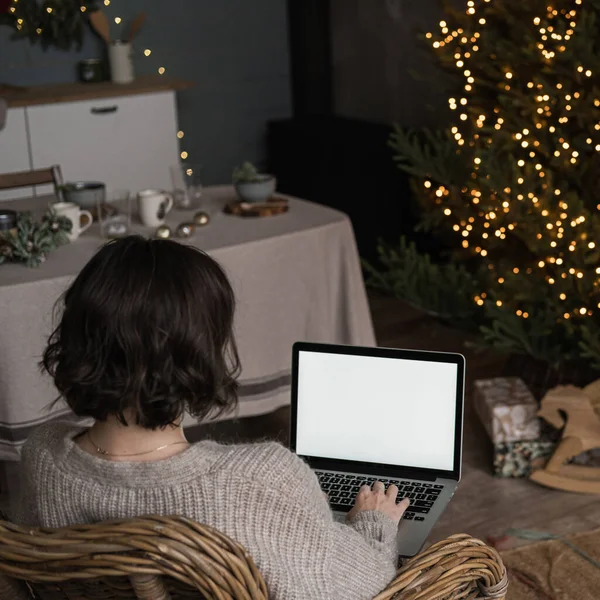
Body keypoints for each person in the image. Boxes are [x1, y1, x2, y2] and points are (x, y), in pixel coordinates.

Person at [15, 236, 409, 599]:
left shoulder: (41, 458)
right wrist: (374, 524)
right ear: (201, 352)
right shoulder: (258, 480)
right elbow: (360, 585)